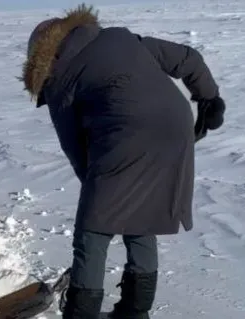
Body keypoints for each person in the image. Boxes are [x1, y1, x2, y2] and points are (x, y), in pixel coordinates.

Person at [20, 3, 225, 319]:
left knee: (92, 232)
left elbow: (75, 148)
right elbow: (189, 59)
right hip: (176, 127)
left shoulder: (59, 78)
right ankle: (135, 310)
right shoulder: (122, 38)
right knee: (140, 217)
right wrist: (210, 99)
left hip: (127, 135)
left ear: (44, 57)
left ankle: (81, 313)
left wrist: (97, 197)